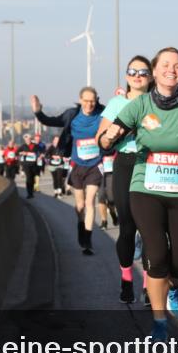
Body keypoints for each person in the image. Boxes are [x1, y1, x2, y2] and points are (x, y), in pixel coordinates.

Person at [99, 47, 178, 341]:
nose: (171, 69)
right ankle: (159, 322)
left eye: (177, 65)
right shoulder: (139, 106)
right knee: (156, 255)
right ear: (154, 71)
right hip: (146, 188)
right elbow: (106, 140)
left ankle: (175, 285)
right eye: (165, 64)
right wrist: (110, 136)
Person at [97, 55, 154, 304]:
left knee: (153, 229)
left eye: (143, 71)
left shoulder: (157, 102)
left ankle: (150, 286)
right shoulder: (116, 102)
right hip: (126, 164)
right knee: (128, 226)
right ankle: (127, 278)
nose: (137, 75)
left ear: (151, 76)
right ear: (126, 76)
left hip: (153, 164)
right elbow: (101, 139)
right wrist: (110, 136)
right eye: (133, 71)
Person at [32, 88, 106, 254]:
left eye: (92, 101)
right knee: (79, 205)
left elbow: (121, 120)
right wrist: (38, 112)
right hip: (77, 164)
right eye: (86, 101)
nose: (89, 104)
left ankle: (87, 239)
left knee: (90, 201)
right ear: (80, 100)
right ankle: (81, 226)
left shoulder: (103, 113)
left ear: (97, 100)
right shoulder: (72, 115)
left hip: (95, 164)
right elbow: (50, 121)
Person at [19, 134, 43, 199]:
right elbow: (17, 152)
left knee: (32, 179)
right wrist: (21, 153)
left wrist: (40, 156)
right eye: (26, 139)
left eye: (29, 139)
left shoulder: (35, 145)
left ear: (31, 139)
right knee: (28, 178)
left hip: (34, 164)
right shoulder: (23, 146)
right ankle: (29, 193)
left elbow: (42, 151)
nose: (27, 140)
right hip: (26, 165)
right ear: (25, 140)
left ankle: (31, 192)